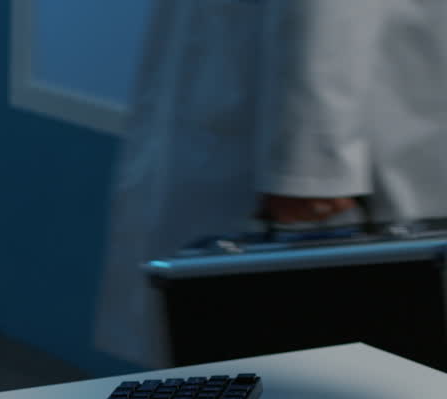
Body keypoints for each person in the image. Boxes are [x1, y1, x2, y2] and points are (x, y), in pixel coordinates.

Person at [95, 0, 447, 368]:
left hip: (336, 158)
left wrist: (310, 171)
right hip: (321, 150)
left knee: (284, 369)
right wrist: (311, 169)